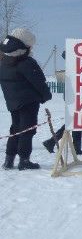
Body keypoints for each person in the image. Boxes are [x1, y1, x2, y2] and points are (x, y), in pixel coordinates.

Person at [0, 28, 52, 170]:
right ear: (24, 45)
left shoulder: (3, 62)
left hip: (12, 103)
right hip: (28, 103)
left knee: (15, 130)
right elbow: (39, 82)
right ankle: (24, 160)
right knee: (27, 131)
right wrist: (46, 96)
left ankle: (8, 160)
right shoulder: (26, 62)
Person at [43, 50, 82, 155]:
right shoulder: (75, 68)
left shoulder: (72, 68)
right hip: (75, 98)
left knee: (75, 123)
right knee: (74, 123)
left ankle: (53, 142)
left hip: (74, 98)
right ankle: (52, 142)